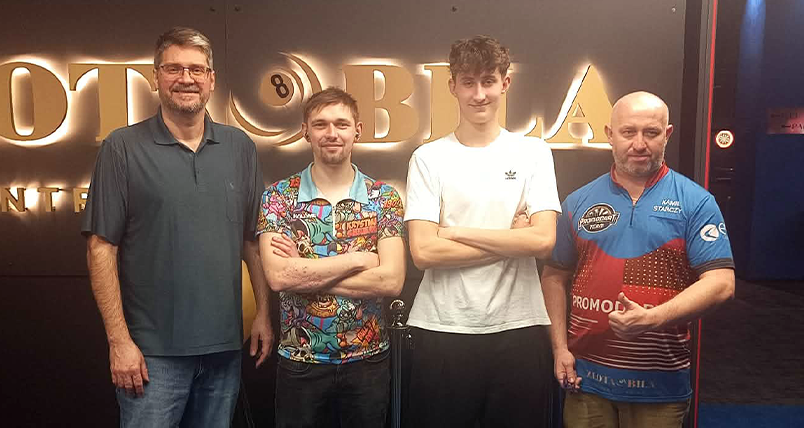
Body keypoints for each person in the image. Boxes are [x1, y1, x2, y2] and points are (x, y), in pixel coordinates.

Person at [81, 27, 274, 427]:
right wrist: (119, 342)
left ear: (211, 80)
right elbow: (101, 248)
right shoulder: (122, 147)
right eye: (174, 68)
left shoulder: (239, 147)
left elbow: (252, 242)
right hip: (151, 355)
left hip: (224, 350)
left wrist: (263, 315)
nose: (186, 78)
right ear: (156, 76)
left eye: (196, 70)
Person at [542, 91, 736, 428]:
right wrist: (559, 348)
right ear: (610, 134)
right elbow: (553, 276)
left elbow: (722, 284)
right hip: (585, 381)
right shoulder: (578, 201)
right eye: (628, 132)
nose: (639, 144)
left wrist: (653, 318)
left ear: (667, 134)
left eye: (651, 132)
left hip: (660, 388)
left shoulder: (696, 202)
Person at [404, 35, 560, 428]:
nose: (479, 94)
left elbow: (543, 241)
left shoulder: (533, 153)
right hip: (443, 327)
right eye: (468, 82)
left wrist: (454, 233)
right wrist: (513, 241)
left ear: (505, 83)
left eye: (488, 81)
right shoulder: (428, 158)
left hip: (519, 327)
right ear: (452, 86)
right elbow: (424, 253)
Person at [257, 87, 407, 428]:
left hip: (367, 361)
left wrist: (305, 271)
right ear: (305, 131)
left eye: (341, 124)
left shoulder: (383, 198)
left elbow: (391, 280)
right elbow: (279, 277)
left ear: (358, 130)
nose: (331, 133)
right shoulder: (279, 197)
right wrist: (360, 260)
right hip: (300, 360)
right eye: (320, 124)